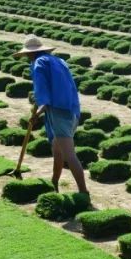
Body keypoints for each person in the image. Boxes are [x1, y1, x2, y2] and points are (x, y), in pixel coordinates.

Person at [15, 35, 89, 195]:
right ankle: (54, 182)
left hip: (58, 111)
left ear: (30, 53)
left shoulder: (39, 64)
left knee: (69, 154)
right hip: (72, 108)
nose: (27, 57)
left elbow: (43, 94)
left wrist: (37, 114)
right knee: (57, 150)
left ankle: (84, 192)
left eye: (27, 54)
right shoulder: (58, 61)